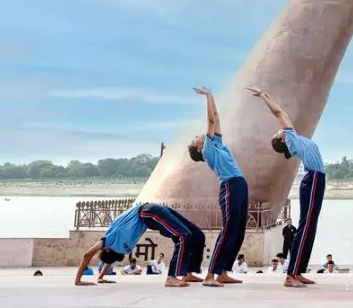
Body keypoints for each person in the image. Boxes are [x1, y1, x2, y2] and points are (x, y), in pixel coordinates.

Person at [248, 87, 326, 289]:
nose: (280, 129)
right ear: (282, 139)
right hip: (313, 180)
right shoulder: (291, 139)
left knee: (311, 227)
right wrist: (265, 96)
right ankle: (290, 274)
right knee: (307, 226)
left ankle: (298, 271)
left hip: (317, 180)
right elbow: (279, 113)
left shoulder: (294, 139)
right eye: (279, 132)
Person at [187, 86, 248, 287]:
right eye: (195, 138)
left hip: (239, 183)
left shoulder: (218, 144)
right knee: (228, 228)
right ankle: (210, 275)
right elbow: (211, 121)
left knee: (238, 230)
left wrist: (213, 99)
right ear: (198, 147)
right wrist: (208, 96)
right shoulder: (207, 150)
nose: (198, 135)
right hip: (230, 185)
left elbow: (217, 118)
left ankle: (223, 272)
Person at [74, 202, 205, 287]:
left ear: (107, 250)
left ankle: (188, 273)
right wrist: (101, 277)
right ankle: (172, 277)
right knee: (184, 235)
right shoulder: (119, 249)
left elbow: (87, 255)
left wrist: (78, 280)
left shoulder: (108, 239)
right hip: (151, 213)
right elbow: (109, 260)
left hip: (148, 211)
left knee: (196, 234)